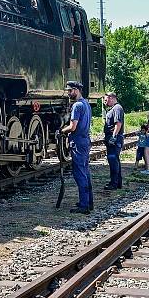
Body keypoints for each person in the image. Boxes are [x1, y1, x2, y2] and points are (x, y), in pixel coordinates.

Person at [61, 81, 93, 214]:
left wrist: (62, 131)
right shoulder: (86, 104)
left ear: (76, 90)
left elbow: (73, 127)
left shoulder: (77, 106)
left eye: (70, 91)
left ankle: (84, 205)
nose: (68, 93)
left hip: (78, 141)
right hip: (85, 140)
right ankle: (89, 202)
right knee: (85, 171)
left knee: (79, 173)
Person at [103, 91, 124, 190]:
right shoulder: (114, 108)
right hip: (113, 138)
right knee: (114, 160)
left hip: (114, 139)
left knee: (113, 160)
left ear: (111, 98)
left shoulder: (117, 108)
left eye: (106, 100)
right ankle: (117, 182)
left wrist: (113, 137)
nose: (104, 102)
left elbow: (118, 124)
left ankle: (114, 183)